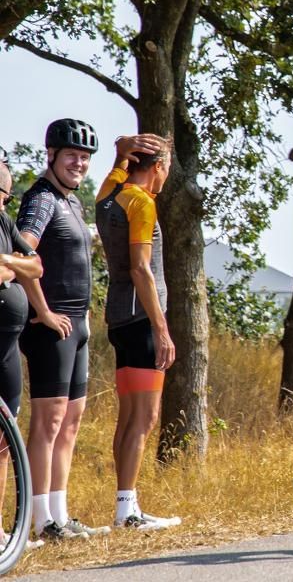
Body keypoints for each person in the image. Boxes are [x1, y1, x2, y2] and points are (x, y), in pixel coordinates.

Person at [16, 118, 111, 541]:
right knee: (48, 422)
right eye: (72, 155)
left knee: (71, 421)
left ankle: (60, 514)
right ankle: (39, 520)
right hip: (51, 326)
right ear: (51, 155)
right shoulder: (41, 199)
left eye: (85, 157)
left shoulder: (70, 200)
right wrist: (44, 310)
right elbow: (23, 256)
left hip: (77, 324)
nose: (79, 163)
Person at [95, 133, 181, 530]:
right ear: (158, 167)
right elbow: (141, 268)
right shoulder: (142, 202)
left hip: (118, 317)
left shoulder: (110, 195)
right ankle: (127, 510)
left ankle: (124, 503)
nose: (166, 177)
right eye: (167, 169)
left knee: (128, 416)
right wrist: (162, 329)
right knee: (145, 418)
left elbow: (111, 178)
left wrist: (120, 155)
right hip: (142, 320)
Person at [0, 153, 44, 549]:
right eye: (5, 195)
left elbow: (36, 266)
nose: (5, 202)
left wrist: (7, 262)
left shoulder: (3, 222)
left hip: (8, 342)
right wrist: (13, 266)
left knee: (4, 435)